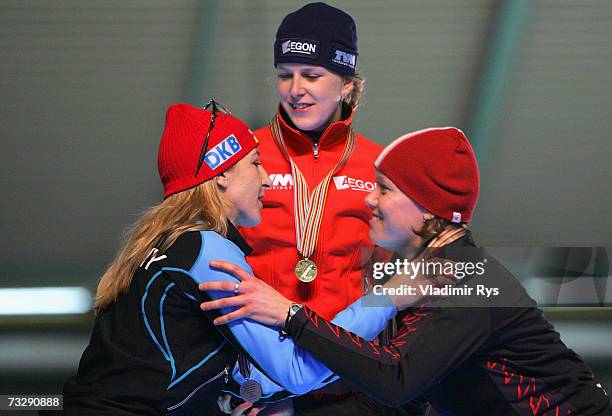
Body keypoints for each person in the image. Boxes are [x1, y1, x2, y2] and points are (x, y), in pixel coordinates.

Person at [200, 127, 612, 415]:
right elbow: (394, 396)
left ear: (427, 207)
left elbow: (395, 380)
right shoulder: (420, 277)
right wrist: (290, 404)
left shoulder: (469, 280)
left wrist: (291, 315)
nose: (369, 200)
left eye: (385, 188)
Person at [61, 101, 401, 415]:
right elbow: (297, 370)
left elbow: (194, 369)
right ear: (220, 174)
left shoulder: (161, 245)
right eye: (255, 163)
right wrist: (389, 296)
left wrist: (240, 393)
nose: (267, 179)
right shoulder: (206, 250)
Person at [237, 3, 392, 413]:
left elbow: (397, 278)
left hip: (349, 378)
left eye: (311, 75)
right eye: (285, 75)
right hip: (261, 378)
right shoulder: (242, 157)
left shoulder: (381, 166)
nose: (295, 89)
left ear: (346, 84)